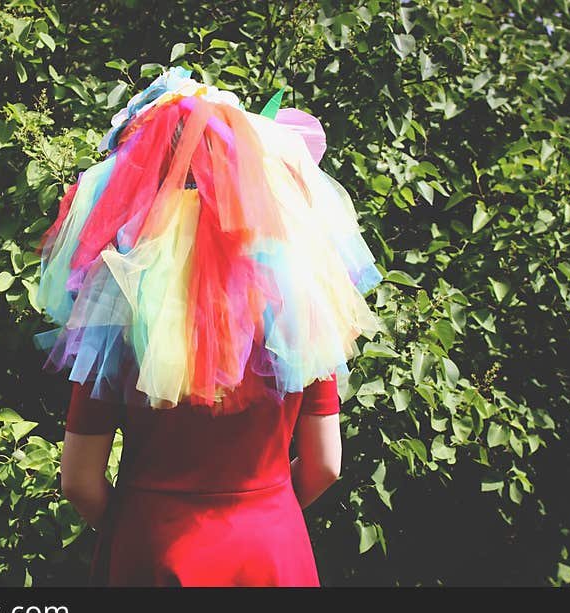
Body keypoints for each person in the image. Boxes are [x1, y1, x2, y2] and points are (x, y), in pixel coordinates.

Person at [33, 66, 385, 586]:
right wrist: (262, 511)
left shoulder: (117, 305)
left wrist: (135, 527)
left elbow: (80, 481)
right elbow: (325, 465)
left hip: (153, 551)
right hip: (270, 550)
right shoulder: (298, 301)